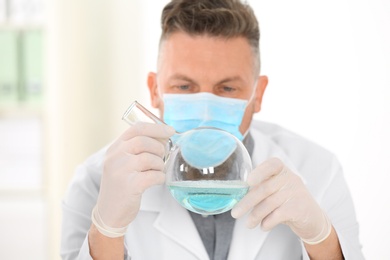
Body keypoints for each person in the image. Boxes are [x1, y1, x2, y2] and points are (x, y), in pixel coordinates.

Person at [61, 0, 364, 259]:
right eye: (184, 86)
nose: (205, 110)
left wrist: (321, 237)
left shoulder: (319, 171)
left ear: (257, 95)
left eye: (227, 88)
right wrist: (107, 230)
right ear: (154, 90)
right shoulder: (95, 181)